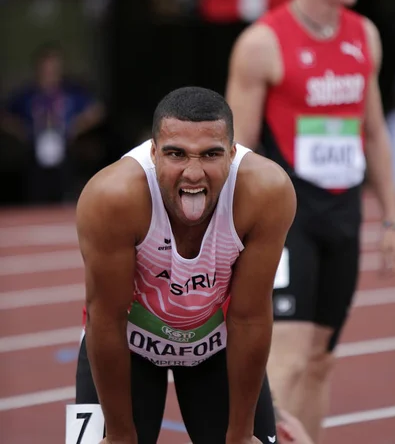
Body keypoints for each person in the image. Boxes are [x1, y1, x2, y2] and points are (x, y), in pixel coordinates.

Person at [225, 0, 395, 443]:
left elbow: (372, 134)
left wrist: (391, 217)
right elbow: (236, 153)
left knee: (322, 361)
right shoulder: (262, 44)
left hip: (342, 216)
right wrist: (233, 237)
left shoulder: (362, 35)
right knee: (289, 359)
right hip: (287, 220)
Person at [73, 86, 296, 444]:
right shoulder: (112, 197)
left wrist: (240, 434)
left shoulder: (267, 192)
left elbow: (250, 317)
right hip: (126, 344)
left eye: (210, 154)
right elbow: (106, 319)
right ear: (153, 153)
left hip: (216, 343)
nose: (193, 174)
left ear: (233, 154)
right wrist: (117, 434)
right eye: (176, 154)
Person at [1, 44, 104, 203]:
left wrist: (76, 127)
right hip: (34, 156)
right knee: (35, 199)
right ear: (38, 69)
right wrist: (22, 130)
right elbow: (5, 116)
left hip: (65, 154)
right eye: (45, 69)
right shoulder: (27, 95)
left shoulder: (70, 93)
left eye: (53, 68)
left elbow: (97, 110)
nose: (49, 73)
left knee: (66, 198)